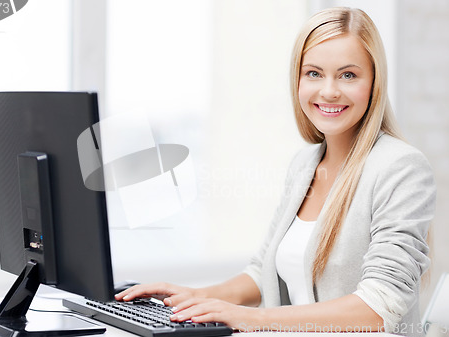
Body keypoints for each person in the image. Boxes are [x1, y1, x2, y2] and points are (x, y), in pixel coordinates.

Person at [115, 7, 436, 336]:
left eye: (348, 75)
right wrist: (194, 297)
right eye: (313, 73)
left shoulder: (401, 168)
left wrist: (249, 319)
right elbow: (262, 271)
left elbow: (378, 308)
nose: (328, 90)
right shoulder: (305, 165)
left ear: (374, 84)